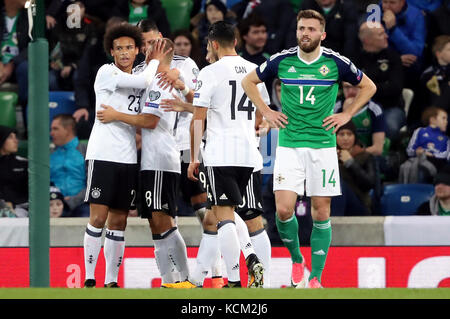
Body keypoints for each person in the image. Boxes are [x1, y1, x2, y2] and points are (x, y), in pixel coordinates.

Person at [242, 9, 376, 288]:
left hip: (323, 147)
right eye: (302, 28)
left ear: (322, 34)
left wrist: (347, 114)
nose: (305, 33)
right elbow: (248, 81)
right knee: (282, 211)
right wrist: (266, 110)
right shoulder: (282, 59)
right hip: (290, 145)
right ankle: (295, 260)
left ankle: (316, 277)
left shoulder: (335, 62)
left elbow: (368, 86)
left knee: (321, 212)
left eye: (312, 29)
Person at [164, 21, 270, 289]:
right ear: (236, 41)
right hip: (250, 155)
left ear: (213, 44)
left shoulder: (210, 72)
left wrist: (194, 156)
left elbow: (197, 120)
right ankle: (262, 281)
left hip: (221, 153)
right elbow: (262, 117)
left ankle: (234, 278)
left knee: (225, 218)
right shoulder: (254, 70)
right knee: (251, 218)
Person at [82, 23, 171, 288]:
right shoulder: (106, 72)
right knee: (98, 218)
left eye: (129, 48)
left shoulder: (142, 75)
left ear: (136, 50)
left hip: (129, 156)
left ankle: (110, 282)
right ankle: (89, 277)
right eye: (119, 48)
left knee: (119, 220)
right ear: (111, 51)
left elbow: (151, 86)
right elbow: (145, 81)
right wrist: (154, 60)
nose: (124, 53)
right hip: (103, 153)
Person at [97, 37, 191, 285]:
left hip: (160, 160)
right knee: (156, 224)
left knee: (163, 221)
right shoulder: (159, 79)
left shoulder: (160, 82)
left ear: (161, 52)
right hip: (153, 161)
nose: (145, 52)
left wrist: (116, 115)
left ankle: (184, 278)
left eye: (151, 48)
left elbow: (150, 121)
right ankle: (170, 280)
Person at [356, 21, 405, 141]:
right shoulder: (355, 58)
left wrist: (367, 88)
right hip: (361, 107)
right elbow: (350, 87)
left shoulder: (393, 57)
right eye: (381, 34)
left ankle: (387, 157)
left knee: (389, 127)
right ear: (367, 40)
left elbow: (396, 87)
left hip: (389, 107)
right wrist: (381, 87)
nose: (386, 36)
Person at [333, 121, 377, 216]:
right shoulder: (328, 157)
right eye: (341, 134)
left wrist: (350, 163)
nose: (345, 138)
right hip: (330, 203)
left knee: (339, 185)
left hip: (360, 204)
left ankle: (333, 224)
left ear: (355, 136)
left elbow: (369, 183)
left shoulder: (365, 156)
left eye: (349, 134)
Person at [50, 114, 89, 217]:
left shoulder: (87, 151)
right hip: (53, 205)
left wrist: (72, 200)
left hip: (82, 205)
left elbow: (93, 183)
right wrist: (56, 199)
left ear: (68, 129)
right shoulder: (49, 154)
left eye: (55, 129)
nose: (51, 133)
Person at [292, 0, 359, 60]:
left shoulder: (347, 7)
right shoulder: (307, 5)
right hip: (310, 54)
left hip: (338, 54)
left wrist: (344, 63)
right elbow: (294, 32)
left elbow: (350, 39)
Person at [334, 82, 386, 157]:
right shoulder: (335, 108)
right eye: (347, 87)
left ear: (363, 88)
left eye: (355, 87)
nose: (351, 91)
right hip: (340, 156)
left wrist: (354, 154)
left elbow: (378, 149)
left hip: (367, 157)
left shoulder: (374, 109)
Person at [400, 106, 449, 183]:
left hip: (437, 163)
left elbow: (447, 156)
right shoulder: (420, 131)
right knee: (408, 166)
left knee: (422, 169)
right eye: (443, 118)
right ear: (433, 120)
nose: (446, 121)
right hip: (419, 159)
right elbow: (410, 150)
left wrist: (433, 154)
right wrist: (417, 151)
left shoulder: (446, 139)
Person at [237, 13, 273, 93]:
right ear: (244, 36)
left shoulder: (271, 59)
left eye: (263, 32)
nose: (261, 36)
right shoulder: (236, 58)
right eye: (256, 32)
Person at [0, 125, 28, 218]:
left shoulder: (24, 163)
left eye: (16, 137)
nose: (16, 141)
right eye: (10, 137)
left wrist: (12, 205)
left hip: (20, 209)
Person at [419, 35, 450, 116]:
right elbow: (437, 106)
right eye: (449, 50)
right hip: (434, 116)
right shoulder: (429, 75)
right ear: (438, 54)